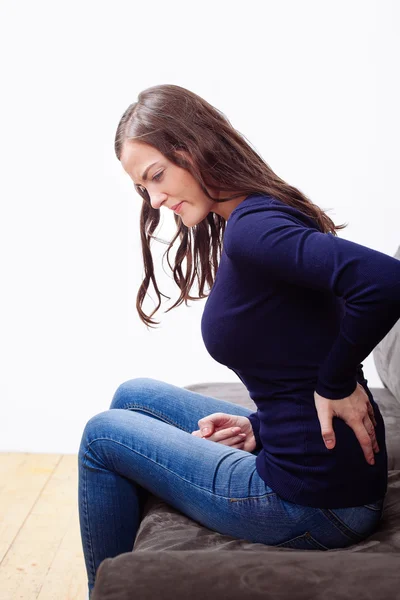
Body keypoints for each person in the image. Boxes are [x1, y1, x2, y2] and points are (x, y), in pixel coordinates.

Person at [78, 84, 400, 597]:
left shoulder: (254, 230)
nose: (155, 199)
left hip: (314, 504)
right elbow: (297, 351)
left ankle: (108, 591)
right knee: (134, 393)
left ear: (194, 149)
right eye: (143, 188)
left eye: (157, 176)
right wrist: (258, 428)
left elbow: (386, 281)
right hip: (321, 469)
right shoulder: (254, 215)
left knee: (102, 436)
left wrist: (336, 380)